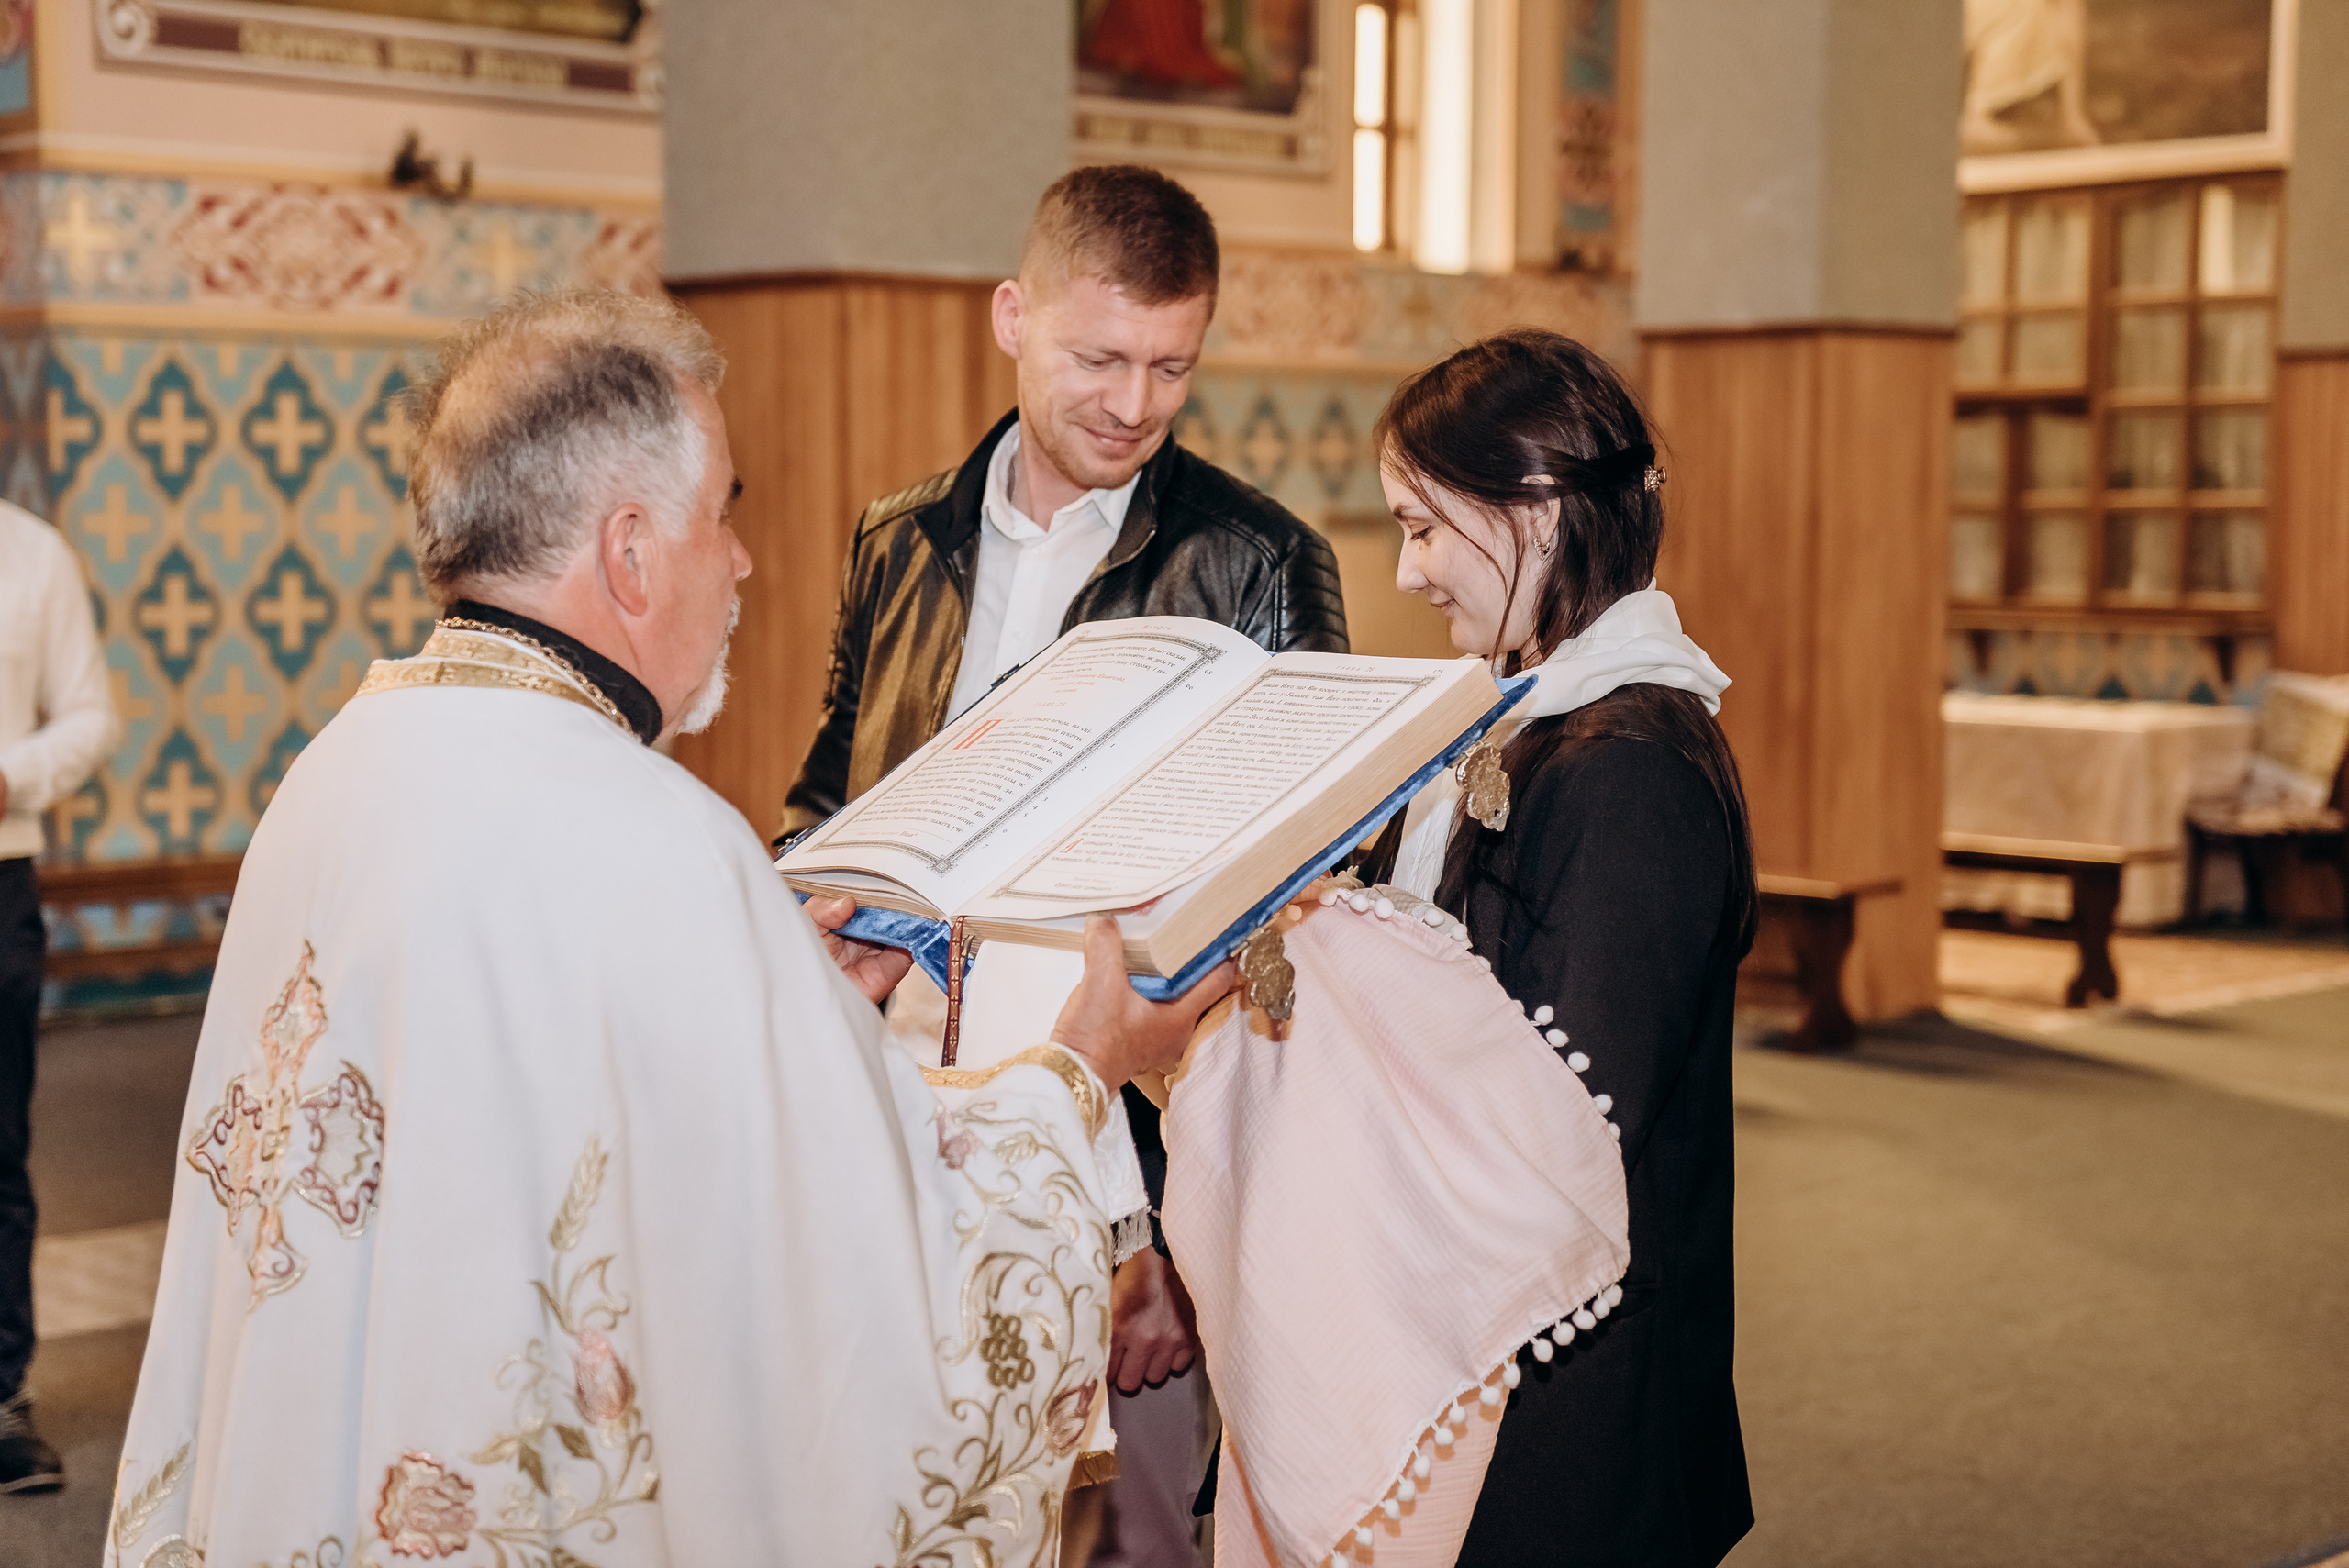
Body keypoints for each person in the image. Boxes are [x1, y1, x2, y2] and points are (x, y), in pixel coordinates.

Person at [109, 289, 1232, 1566]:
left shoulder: (339, 768)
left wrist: (784, 993)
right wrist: (1080, 1071)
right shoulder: (649, 832)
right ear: (631, 550)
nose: (743, 562)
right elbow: (863, 1255)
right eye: (725, 516)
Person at [779, 162, 1347, 1545]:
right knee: (910, 1491)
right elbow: (826, 790)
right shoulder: (898, 537)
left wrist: (1142, 1228)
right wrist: (810, 899)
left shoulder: (1258, 558)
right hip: (910, 1105)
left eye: (1173, 366)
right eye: (1100, 356)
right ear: (1011, 316)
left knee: (1143, 1521)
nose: (1135, 405)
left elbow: (1302, 893)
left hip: (1142, 1138)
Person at [1367, 328, 1758, 1566]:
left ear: (1532, 511)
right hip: (1498, 1349)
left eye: (1424, 527)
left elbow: (1565, 1117)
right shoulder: (1539, 720)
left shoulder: (1629, 764)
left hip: (1579, 1403)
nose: (1408, 570)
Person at [0, 500, 121, 1493]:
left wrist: (10, 776)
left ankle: (0, 1395)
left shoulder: (33, 555)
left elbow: (90, 714)